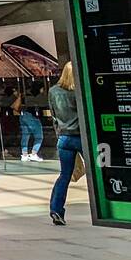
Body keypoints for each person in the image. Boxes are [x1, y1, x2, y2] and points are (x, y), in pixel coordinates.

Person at [48, 62, 80, 226]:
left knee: (64, 175)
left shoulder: (53, 91)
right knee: (98, 174)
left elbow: (53, 116)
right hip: (81, 137)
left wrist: (58, 133)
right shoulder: (78, 92)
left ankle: (56, 209)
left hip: (64, 138)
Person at [15, 89, 44, 162]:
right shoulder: (39, 97)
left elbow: (15, 107)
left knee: (25, 136)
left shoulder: (24, 95)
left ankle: (24, 155)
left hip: (23, 115)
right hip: (33, 117)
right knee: (39, 136)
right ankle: (34, 154)